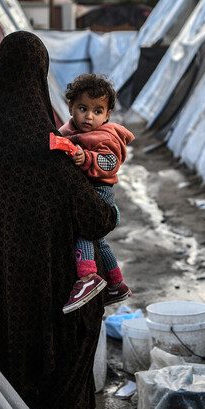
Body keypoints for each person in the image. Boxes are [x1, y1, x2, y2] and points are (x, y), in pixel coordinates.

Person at [0, 32, 117, 409]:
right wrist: (108, 203)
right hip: (48, 302)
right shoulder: (43, 145)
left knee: (8, 386)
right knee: (56, 394)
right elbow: (95, 218)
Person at [58, 74, 134, 314]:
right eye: (83, 108)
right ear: (71, 107)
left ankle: (88, 276)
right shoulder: (68, 130)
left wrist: (87, 157)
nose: (89, 116)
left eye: (97, 111)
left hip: (99, 192)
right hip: (86, 191)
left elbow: (110, 163)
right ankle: (116, 284)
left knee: (84, 229)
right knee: (99, 241)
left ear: (108, 114)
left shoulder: (107, 136)